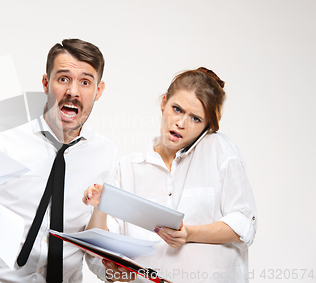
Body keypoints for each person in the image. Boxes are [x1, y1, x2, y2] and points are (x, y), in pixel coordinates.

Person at [0, 39, 118, 283]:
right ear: (46, 83)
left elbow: (95, 246)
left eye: (85, 82)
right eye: (63, 79)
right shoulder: (1, 140)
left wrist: (114, 269)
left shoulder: (104, 155)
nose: (73, 92)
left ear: (99, 90)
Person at [83, 68, 257, 283]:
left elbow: (243, 224)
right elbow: (97, 250)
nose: (181, 123)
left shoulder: (218, 149)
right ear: (163, 102)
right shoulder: (128, 168)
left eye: (195, 119)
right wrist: (100, 207)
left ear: (207, 126)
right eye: (177, 109)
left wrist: (189, 234)